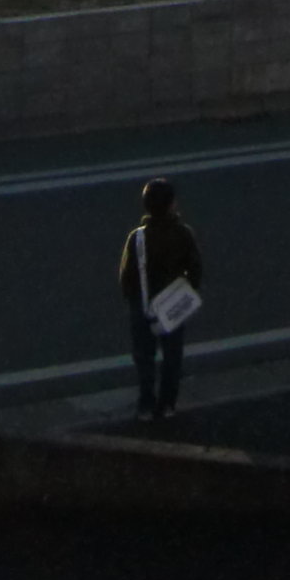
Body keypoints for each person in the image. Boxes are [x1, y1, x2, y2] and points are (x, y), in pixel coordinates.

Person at [117, 177, 205, 420]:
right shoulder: (183, 234)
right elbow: (195, 269)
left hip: (143, 305)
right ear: (171, 205)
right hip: (173, 303)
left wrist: (133, 300)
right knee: (172, 357)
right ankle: (167, 404)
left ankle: (146, 403)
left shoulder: (138, 237)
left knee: (144, 357)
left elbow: (127, 276)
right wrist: (187, 292)